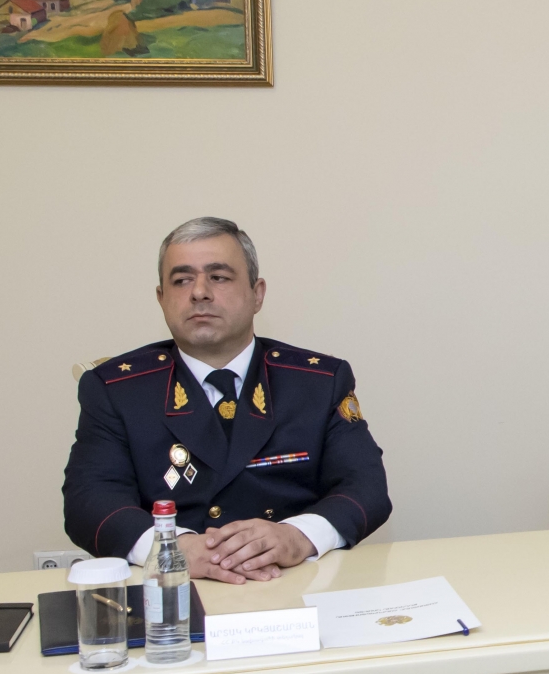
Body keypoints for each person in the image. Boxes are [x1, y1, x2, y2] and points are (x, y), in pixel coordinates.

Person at [63, 218, 390, 583]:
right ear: (161, 298)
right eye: (181, 280)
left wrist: (298, 537)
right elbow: (89, 501)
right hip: (175, 590)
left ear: (257, 294)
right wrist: (172, 549)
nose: (199, 292)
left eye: (218, 277)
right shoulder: (117, 389)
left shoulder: (317, 382)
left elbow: (365, 487)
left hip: (294, 582)